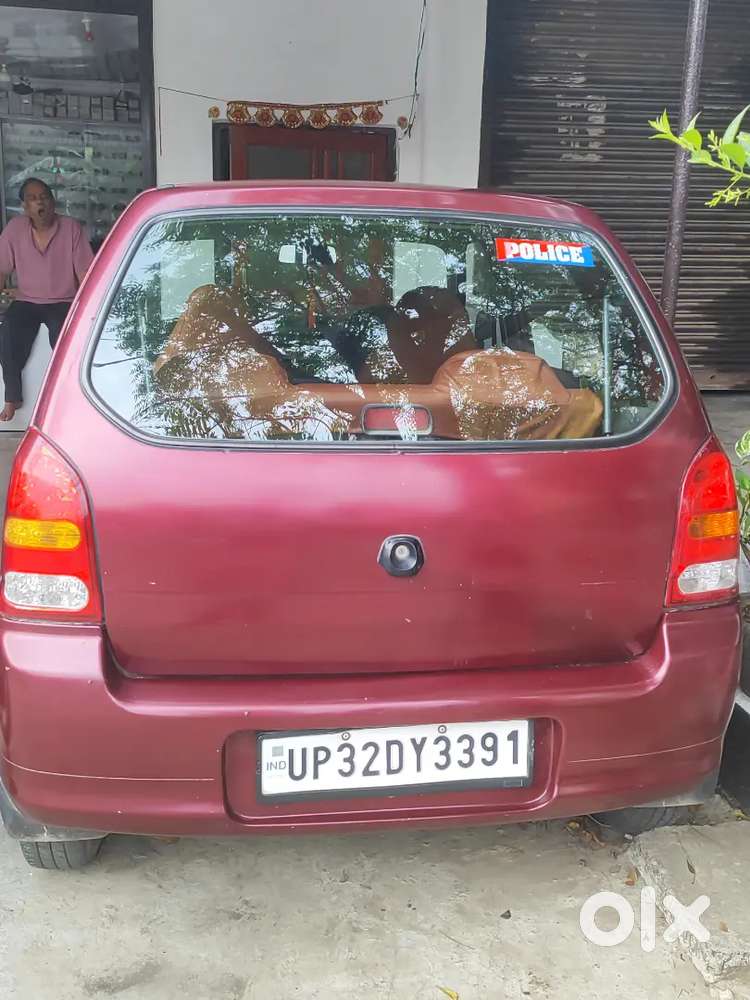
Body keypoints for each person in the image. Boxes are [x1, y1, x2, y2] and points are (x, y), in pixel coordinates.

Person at [0, 178, 94, 420]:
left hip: (63, 300)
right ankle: (12, 397)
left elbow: (85, 273)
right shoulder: (15, 228)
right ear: (24, 206)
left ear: (53, 201)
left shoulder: (71, 227)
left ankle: (69, 400)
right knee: (8, 330)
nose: (40, 202)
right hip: (27, 300)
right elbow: (1, 269)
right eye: (33, 199)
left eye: (44, 197)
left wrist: (89, 307)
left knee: (65, 341)